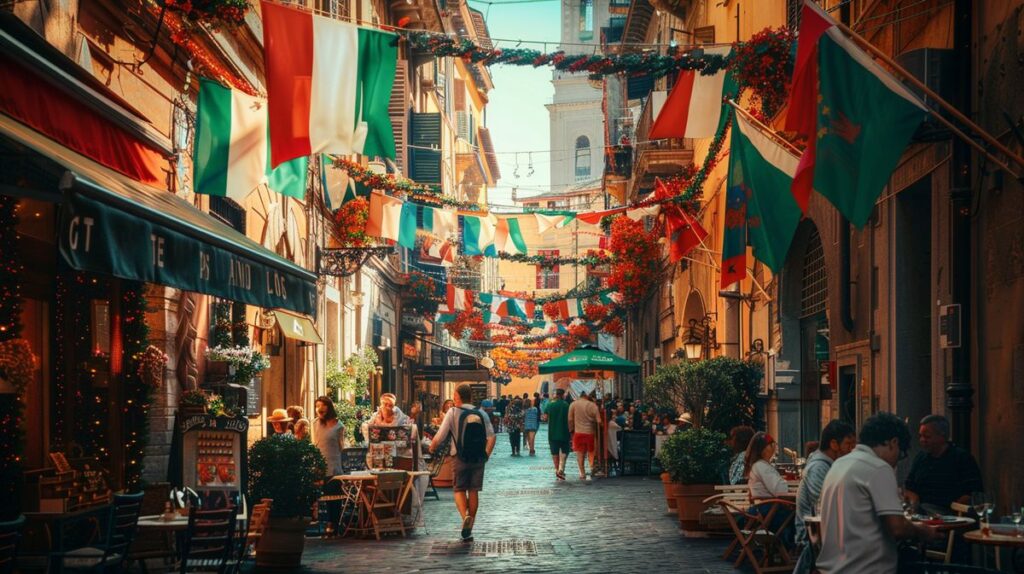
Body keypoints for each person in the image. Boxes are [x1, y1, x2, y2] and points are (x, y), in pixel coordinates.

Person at [816, 412, 942, 574]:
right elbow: (897, 527)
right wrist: (923, 531)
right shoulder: (878, 468)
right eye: (900, 453)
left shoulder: (839, 464)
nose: (897, 460)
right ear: (893, 443)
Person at [429, 383, 495, 541]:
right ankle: (470, 527)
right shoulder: (481, 413)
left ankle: (465, 516)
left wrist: (432, 447)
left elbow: (441, 435)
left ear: (457, 396)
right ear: (470, 397)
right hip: (478, 457)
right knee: (473, 490)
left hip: (459, 457)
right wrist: (485, 455)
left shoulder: (452, 412)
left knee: (459, 489)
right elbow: (491, 437)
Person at [793, 420, 856, 574]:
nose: (852, 449)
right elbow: (824, 504)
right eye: (849, 444)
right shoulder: (819, 468)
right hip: (811, 536)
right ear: (834, 444)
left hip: (825, 532)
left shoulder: (829, 465)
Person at [904, 414, 983, 515]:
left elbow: (974, 493)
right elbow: (909, 487)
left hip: (950, 513)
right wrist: (914, 502)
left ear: (942, 436)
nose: (922, 440)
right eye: (920, 436)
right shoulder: (920, 458)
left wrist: (955, 509)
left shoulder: (962, 458)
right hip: (922, 511)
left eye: (927, 437)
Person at [313, 396, 346, 535]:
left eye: (322, 406)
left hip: (334, 466)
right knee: (324, 497)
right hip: (320, 466)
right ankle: (328, 522)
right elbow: (314, 443)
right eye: (317, 406)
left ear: (329, 407)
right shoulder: (315, 423)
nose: (319, 409)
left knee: (335, 498)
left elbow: (341, 447)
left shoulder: (339, 426)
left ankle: (335, 523)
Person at [568, 391, 601, 481]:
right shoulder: (593, 405)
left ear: (580, 395)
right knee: (591, 452)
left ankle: (582, 473)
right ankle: (591, 468)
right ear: (587, 396)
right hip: (590, 433)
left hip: (578, 433)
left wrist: (571, 430)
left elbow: (570, 419)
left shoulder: (573, 404)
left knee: (580, 454)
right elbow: (599, 421)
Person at [543, 388, 571, 480]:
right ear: (562, 395)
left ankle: (557, 470)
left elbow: (545, 418)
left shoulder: (549, 405)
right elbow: (569, 418)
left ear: (556, 395)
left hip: (553, 433)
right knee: (565, 451)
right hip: (565, 432)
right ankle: (561, 468)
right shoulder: (566, 405)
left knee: (554, 453)